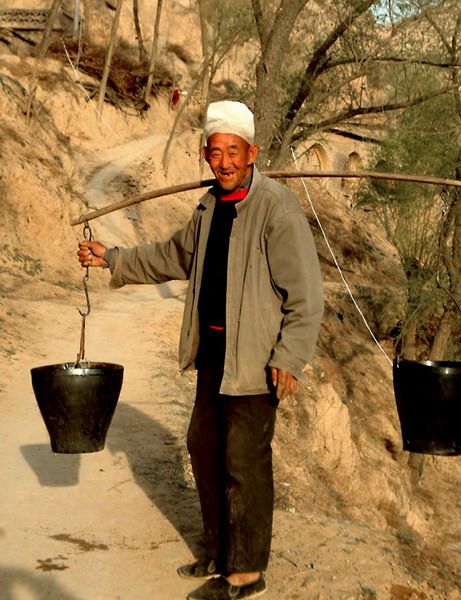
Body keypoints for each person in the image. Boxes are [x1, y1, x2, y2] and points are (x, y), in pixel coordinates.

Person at [77, 100, 324, 600]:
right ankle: (217, 551)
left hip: (256, 359)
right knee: (203, 446)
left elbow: (306, 294)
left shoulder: (277, 207)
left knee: (243, 461)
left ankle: (245, 572)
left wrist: (289, 357)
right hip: (214, 354)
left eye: (234, 152)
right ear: (206, 156)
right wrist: (113, 258)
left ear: (252, 153)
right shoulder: (210, 207)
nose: (225, 162)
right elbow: (173, 256)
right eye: (216, 153)